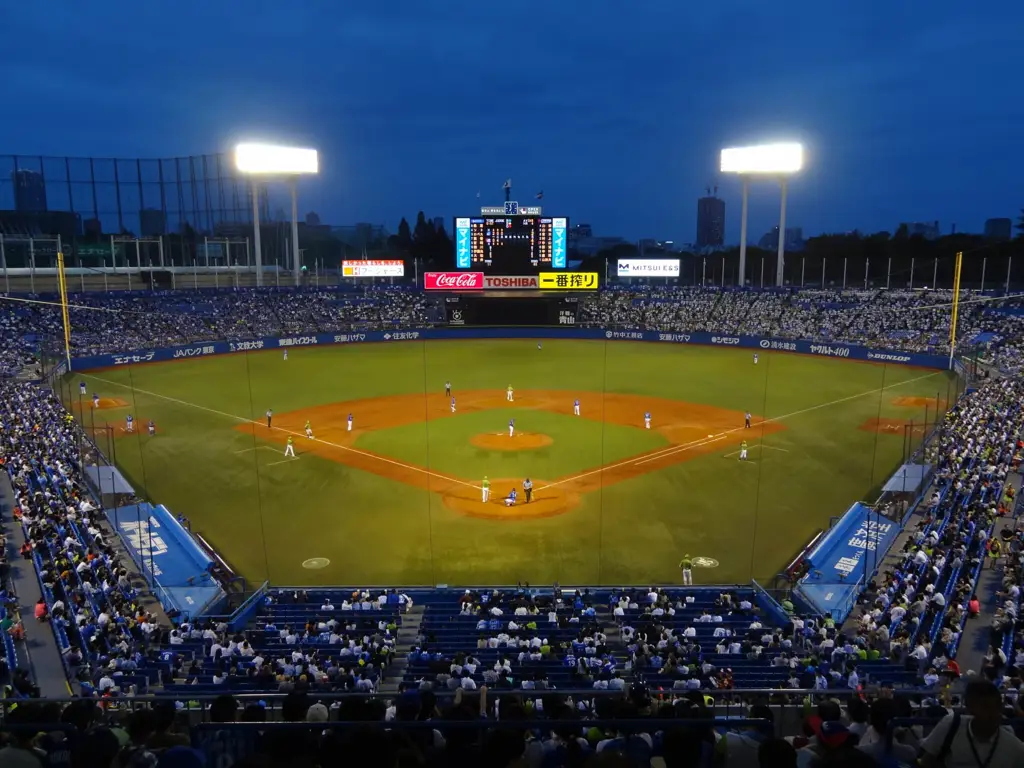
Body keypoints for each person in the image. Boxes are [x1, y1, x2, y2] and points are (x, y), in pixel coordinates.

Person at [919, 679, 1024, 766]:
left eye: (997, 707)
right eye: (985, 707)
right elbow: (927, 762)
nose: (993, 713)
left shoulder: (1015, 749)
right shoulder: (950, 725)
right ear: (970, 708)